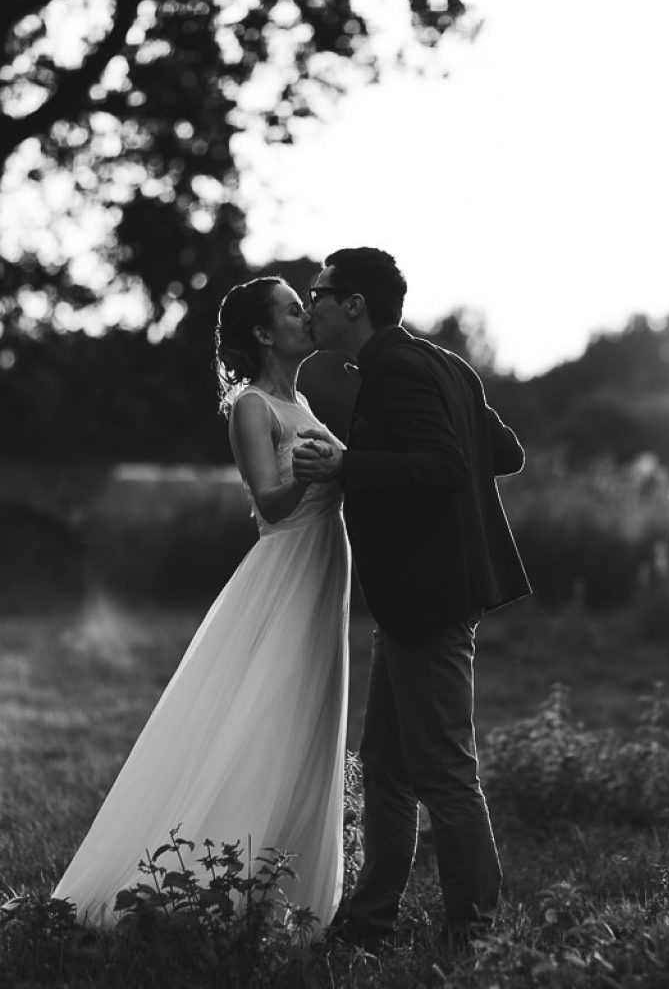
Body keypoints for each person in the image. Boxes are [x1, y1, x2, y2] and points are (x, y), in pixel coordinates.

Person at [53, 277, 350, 935]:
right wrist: (310, 474)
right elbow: (265, 506)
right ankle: (221, 890)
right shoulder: (252, 405)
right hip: (288, 570)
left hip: (323, 573)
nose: (308, 316)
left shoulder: (300, 399)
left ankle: (278, 896)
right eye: (295, 310)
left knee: (307, 716)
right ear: (265, 334)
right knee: (269, 715)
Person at [292, 247, 530, 948]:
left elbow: (446, 466)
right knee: (388, 771)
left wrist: (347, 465)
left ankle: (477, 936)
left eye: (319, 292)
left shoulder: (397, 369)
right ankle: (369, 922)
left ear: (354, 304)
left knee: (447, 773)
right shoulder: (446, 364)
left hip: (429, 601)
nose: (311, 304)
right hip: (415, 601)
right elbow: (505, 453)